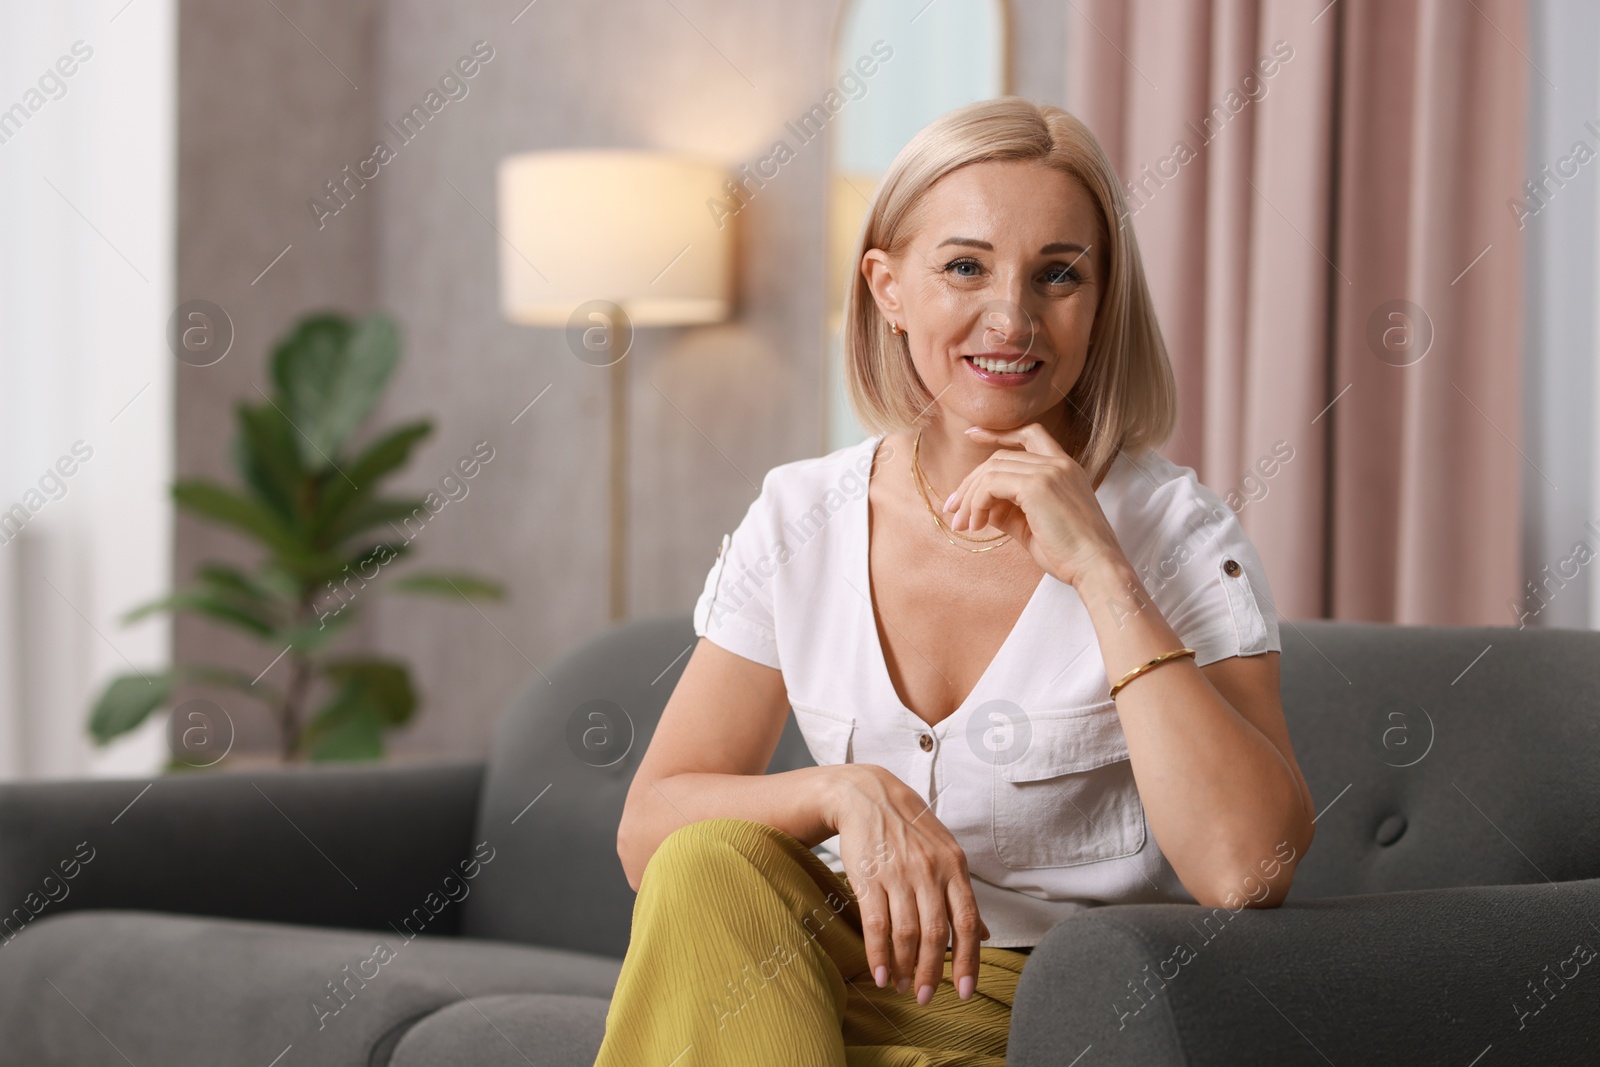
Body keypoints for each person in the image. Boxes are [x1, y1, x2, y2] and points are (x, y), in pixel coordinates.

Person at [595, 95, 1316, 1066]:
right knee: (705, 861)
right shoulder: (799, 512)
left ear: (1098, 302)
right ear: (888, 288)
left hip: (1049, 1001)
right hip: (812, 967)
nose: (1011, 318)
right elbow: (649, 831)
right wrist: (844, 792)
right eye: (964, 266)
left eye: (1057, 275)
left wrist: (1101, 571)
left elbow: (1245, 867)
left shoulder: (1175, 531)